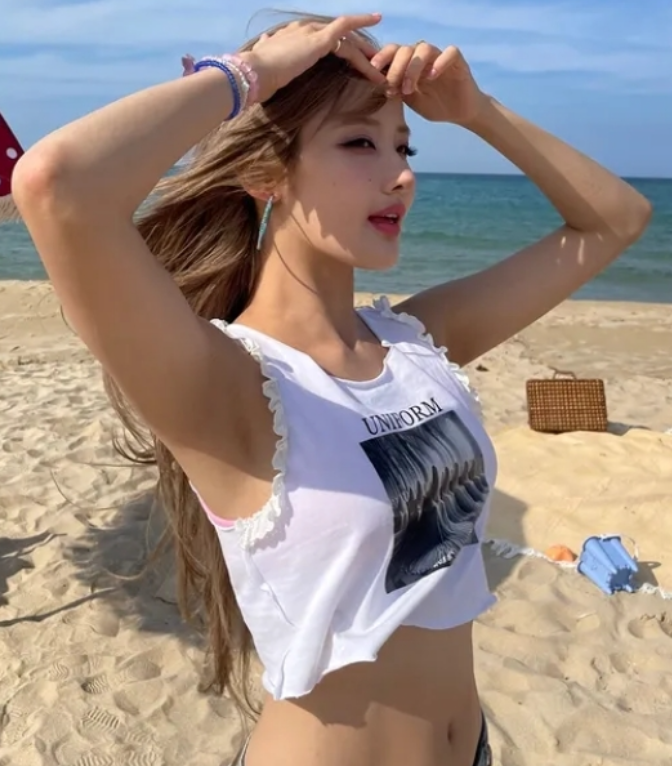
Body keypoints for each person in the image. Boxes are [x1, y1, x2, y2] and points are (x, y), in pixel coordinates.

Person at [12, 11, 651, 766]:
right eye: (358, 143)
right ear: (265, 173)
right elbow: (57, 184)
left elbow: (614, 220)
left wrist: (478, 111)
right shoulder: (226, 384)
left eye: (404, 146)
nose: (402, 174)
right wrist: (251, 76)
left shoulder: (418, 340)